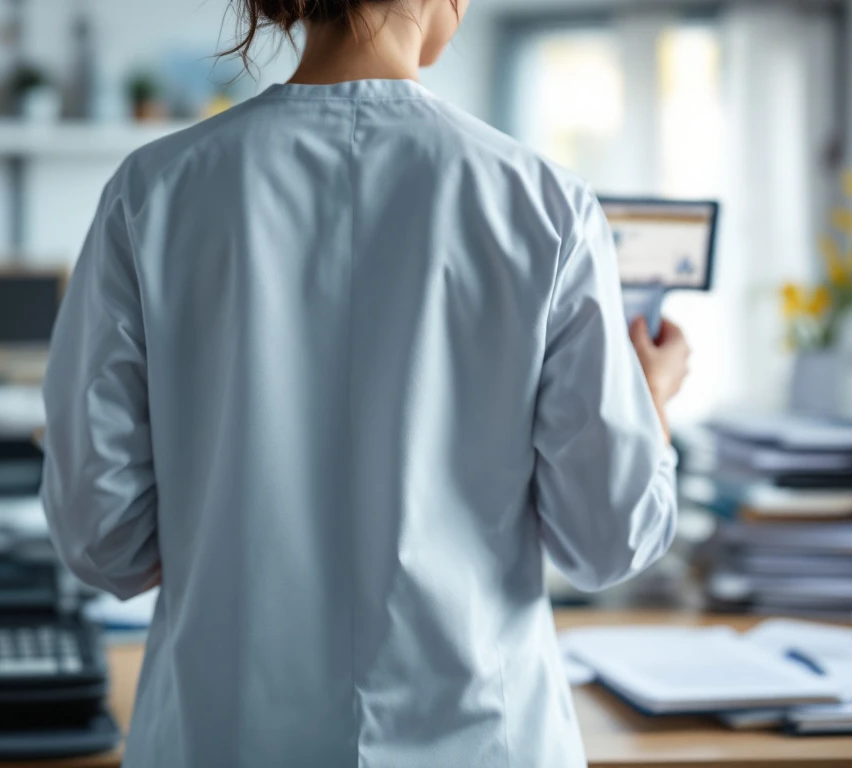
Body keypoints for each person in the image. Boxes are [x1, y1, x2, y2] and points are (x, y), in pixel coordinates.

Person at [40, 0, 690, 762]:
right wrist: (650, 399)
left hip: (227, 733)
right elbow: (606, 540)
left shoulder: (154, 191)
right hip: (480, 739)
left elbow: (102, 537)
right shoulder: (545, 203)